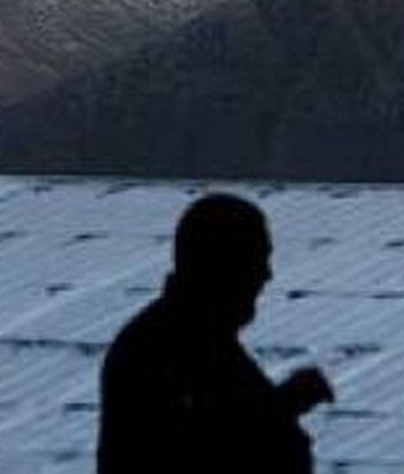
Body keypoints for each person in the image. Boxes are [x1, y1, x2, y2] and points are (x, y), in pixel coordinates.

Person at [97, 193, 335, 474]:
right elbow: (194, 451)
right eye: (254, 259)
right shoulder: (161, 352)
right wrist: (281, 408)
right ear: (220, 264)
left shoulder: (199, 345)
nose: (266, 274)